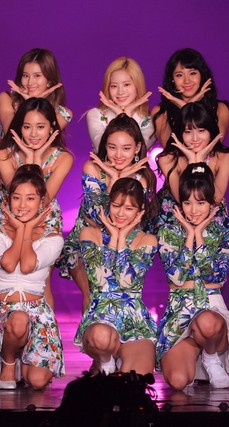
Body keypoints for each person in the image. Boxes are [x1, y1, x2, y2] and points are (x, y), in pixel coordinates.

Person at [56, 114, 158, 312]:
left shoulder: (143, 176)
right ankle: (90, 332)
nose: (118, 155)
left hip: (125, 241)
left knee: (121, 297)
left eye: (126, 148)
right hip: (88, 239)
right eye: (112, 147)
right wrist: (114, 180)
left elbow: (130, 219)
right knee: (92, 297)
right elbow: (97, 215)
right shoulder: (93, 168)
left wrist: (116, 179)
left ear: (137, 148)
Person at [0, 98, 73, 308]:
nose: (33, 134)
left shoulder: (63, 158)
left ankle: (45, 328)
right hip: (9, 218)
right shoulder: (3, 154)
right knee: (5, 283)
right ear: (19, 127)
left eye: (40, 127)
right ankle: (3, 324)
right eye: (27, 126)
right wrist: (33, 160)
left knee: (41, 284)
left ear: (52, 128)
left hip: (44, 219)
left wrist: (34, 160)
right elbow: (20, 191)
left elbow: (43, 199)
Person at [0, 165, 65, 390]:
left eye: (30, 198)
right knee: (18, 319)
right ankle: (8, 361)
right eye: (16, 198)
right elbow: (9, 263)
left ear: (42, 202)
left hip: (39, 315)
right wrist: (21, 230)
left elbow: (27, 266)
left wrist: (26, 230)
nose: (22, 205)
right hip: (6, 314)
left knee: (37, 382)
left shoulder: (53, 238)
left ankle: (23, 357)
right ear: (8, 200)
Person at [156, 164, 229, 390]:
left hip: (211, 308)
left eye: (200, 203)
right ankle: (194, 350)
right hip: (179, 311)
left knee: (206, 322)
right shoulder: (168, 232)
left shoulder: (227, 235)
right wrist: (189, 236)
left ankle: (211, 358)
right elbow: (176, 277)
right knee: (177, 382)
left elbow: (215, 275)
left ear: (212, 203)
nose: (193, 210)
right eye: (187, 203)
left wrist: (200, 237)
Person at [75, 178, 158, 375]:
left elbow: (125, 282)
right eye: (116, 206)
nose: (120, 213)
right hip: (101, 317)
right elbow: (100, 280)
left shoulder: (147, 240)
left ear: (140, 210)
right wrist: (113, 237)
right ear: (109, 204)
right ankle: (105, 362)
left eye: (129, 208)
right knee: (100, 336)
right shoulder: (89, 234)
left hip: (134, 321)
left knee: (135, 379)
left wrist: (121, 239)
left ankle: (117, 362)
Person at [154, 102, 229, 231]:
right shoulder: (168, 159)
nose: (195, 138)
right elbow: (182, 199)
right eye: (188, 132)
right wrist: (194, 162)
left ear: (210, 131)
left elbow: (215, 199)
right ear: (181, 134)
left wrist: (199, 162)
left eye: (201, 131)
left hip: (212, 219)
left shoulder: (224, 157)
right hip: (174, 220)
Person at [151, 48, 229, 147]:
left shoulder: (220, 109)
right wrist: (188, 106)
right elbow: (171, 150)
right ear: (172, 80)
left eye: (192, 73)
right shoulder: (161, 113)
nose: (187, 81)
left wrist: (186, 106)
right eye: (179, 75)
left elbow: (213, 147)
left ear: (202, 75)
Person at [86, 57, 155, 151]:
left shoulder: (149, 120)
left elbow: (139, 152)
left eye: (126, 84)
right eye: (114, 86)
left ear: (138, 85)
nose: (120, 92)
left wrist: (124, 115)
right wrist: (122, 116)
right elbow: (103, 150)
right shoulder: (96, 114)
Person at [0, 48, 72, 134]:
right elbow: (12, 134)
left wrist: (35, 103)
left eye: (37, 76)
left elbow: (40, 139)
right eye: (25, 76)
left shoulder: (65, 113)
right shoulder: (7, 98)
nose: (30, 82)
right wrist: (31, 102)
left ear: (49, 81)